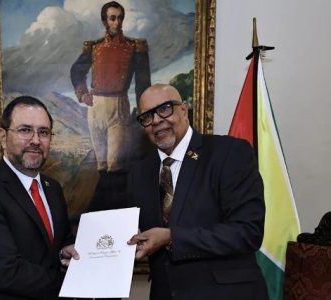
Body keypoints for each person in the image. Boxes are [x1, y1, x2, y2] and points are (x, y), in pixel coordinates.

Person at [127, 84, 268, 299]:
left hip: (227, 294)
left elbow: (248, 232)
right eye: (146, 116)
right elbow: (132, 231)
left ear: (184, 110)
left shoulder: (230, 153)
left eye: (165, 108)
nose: (155, 120)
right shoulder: (139, 173)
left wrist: (172, 237)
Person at [0, 96, 79, 299]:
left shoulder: (53, 189)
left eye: (43, 132)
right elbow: (7, 272)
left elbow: (55, 246)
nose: (35, 140)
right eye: (25, 130)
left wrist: (63, 252)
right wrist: (76, 284)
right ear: (3, 137)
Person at [70, 1, 151, 211]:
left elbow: (143, 82)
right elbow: (77, 71)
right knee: (101, 165)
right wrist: (82, 93)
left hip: (119, 105)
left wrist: (144, 110)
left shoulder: (134, 47)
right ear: (105, 20)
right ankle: (101, 215)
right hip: (95, 107)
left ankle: (113, 212)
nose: (116, 22)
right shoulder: (94, 47)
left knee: (116, 165)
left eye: (119, 18)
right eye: (112, 18)